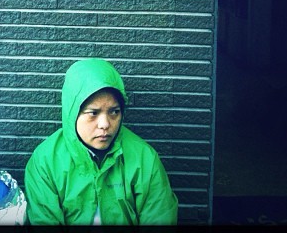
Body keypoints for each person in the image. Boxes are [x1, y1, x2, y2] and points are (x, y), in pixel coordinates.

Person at [24, 58, 178, 226]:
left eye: (114, 112)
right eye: (93, 113)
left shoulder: (144, 158)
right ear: (72, 112)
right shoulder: (45, 161)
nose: (105, 124)